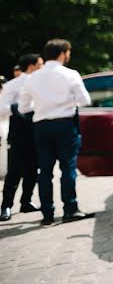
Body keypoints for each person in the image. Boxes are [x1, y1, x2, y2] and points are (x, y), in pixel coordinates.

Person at [18, 39, 94, 225]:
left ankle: (47, 214)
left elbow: (23, 107)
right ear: (62, 53)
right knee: (67, 168)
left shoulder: (31, 78)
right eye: (68, 53)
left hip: (41, 127)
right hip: (65, 125)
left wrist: (42, 105)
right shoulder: (70, 74)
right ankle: (70, 209)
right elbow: (84, 100)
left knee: (45, 171)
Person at [0, 53, 43, 221]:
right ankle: (6, 206)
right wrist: (22, 107)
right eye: (40, 64)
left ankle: (26, 201)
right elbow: (2, 108)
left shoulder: (42, 82)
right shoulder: (13, 85)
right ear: (32, 66)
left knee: (33, 169)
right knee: (14, 171)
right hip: (18, 131)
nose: (43, 67)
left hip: (37, 129)